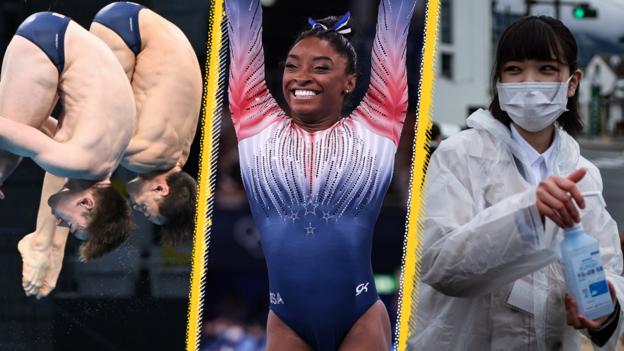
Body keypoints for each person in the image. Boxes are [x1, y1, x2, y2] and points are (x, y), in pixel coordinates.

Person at [411, 16, 624, 350]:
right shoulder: (459, 155)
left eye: (547, 69)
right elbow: (438, 264)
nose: (529, 82)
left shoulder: (583, 173)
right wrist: (528, 215)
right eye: (514, 70)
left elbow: (609, 266)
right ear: (498, 81)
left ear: (572, 82)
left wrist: (606, 311)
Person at [225, 0, 415, 349]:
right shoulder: (254, 122)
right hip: (287, 322)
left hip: (359, 317)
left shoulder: (378, 123)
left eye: (321, 68)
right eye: (292, 66)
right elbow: (240, 21)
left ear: (349, 82)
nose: (301, 77)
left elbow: (395, 23)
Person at [0, 12, 136, 297]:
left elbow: (38, 128)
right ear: (86, 202)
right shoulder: (81, 162)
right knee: (4, 161)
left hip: (60, 39)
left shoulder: (106, 161)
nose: (59, 224)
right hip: (50, 44)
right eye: (71, 225)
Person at [88, 1, 202, 245]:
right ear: (161, 189)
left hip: (147, 26)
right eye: (148, 211)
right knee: (79, 146)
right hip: (124, 31)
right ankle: (46, 246)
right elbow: (83, 147)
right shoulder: (147, 158)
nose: (138, 209)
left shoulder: (179, 153)